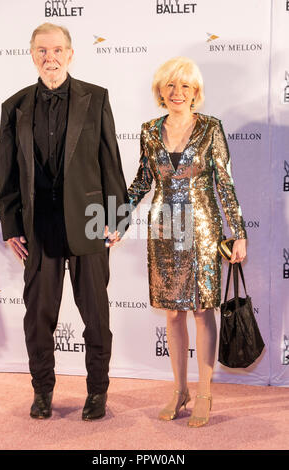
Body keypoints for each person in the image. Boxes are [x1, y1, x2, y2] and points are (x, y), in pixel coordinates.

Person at [0, 23, 129, 420]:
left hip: (90, 220)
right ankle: (42, 392)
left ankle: (98, 393)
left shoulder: (96, 98)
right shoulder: (13, 106)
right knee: (38, 317)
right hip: (38, 226)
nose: (50, 57)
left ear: (70, 54)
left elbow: (111, 162)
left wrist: (118, 218)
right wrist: (10, 227)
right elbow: (7, 176)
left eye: (57, 50)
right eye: (42, 50)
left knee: (96, 315)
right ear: (32, 54)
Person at [127, 57, 247, 427]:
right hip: (164, 229)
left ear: (196, 93)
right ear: (160, 91)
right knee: (173, 312)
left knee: (201, 310)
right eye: (171, 86)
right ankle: (180, 390)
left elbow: (224, 182)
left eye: (186, 87)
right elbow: (142, 181)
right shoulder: (149, 130)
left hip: (202, 227)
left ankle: (205, 392)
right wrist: (117, 216)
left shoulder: (211, 128)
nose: (178, 93)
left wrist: (238, 231)